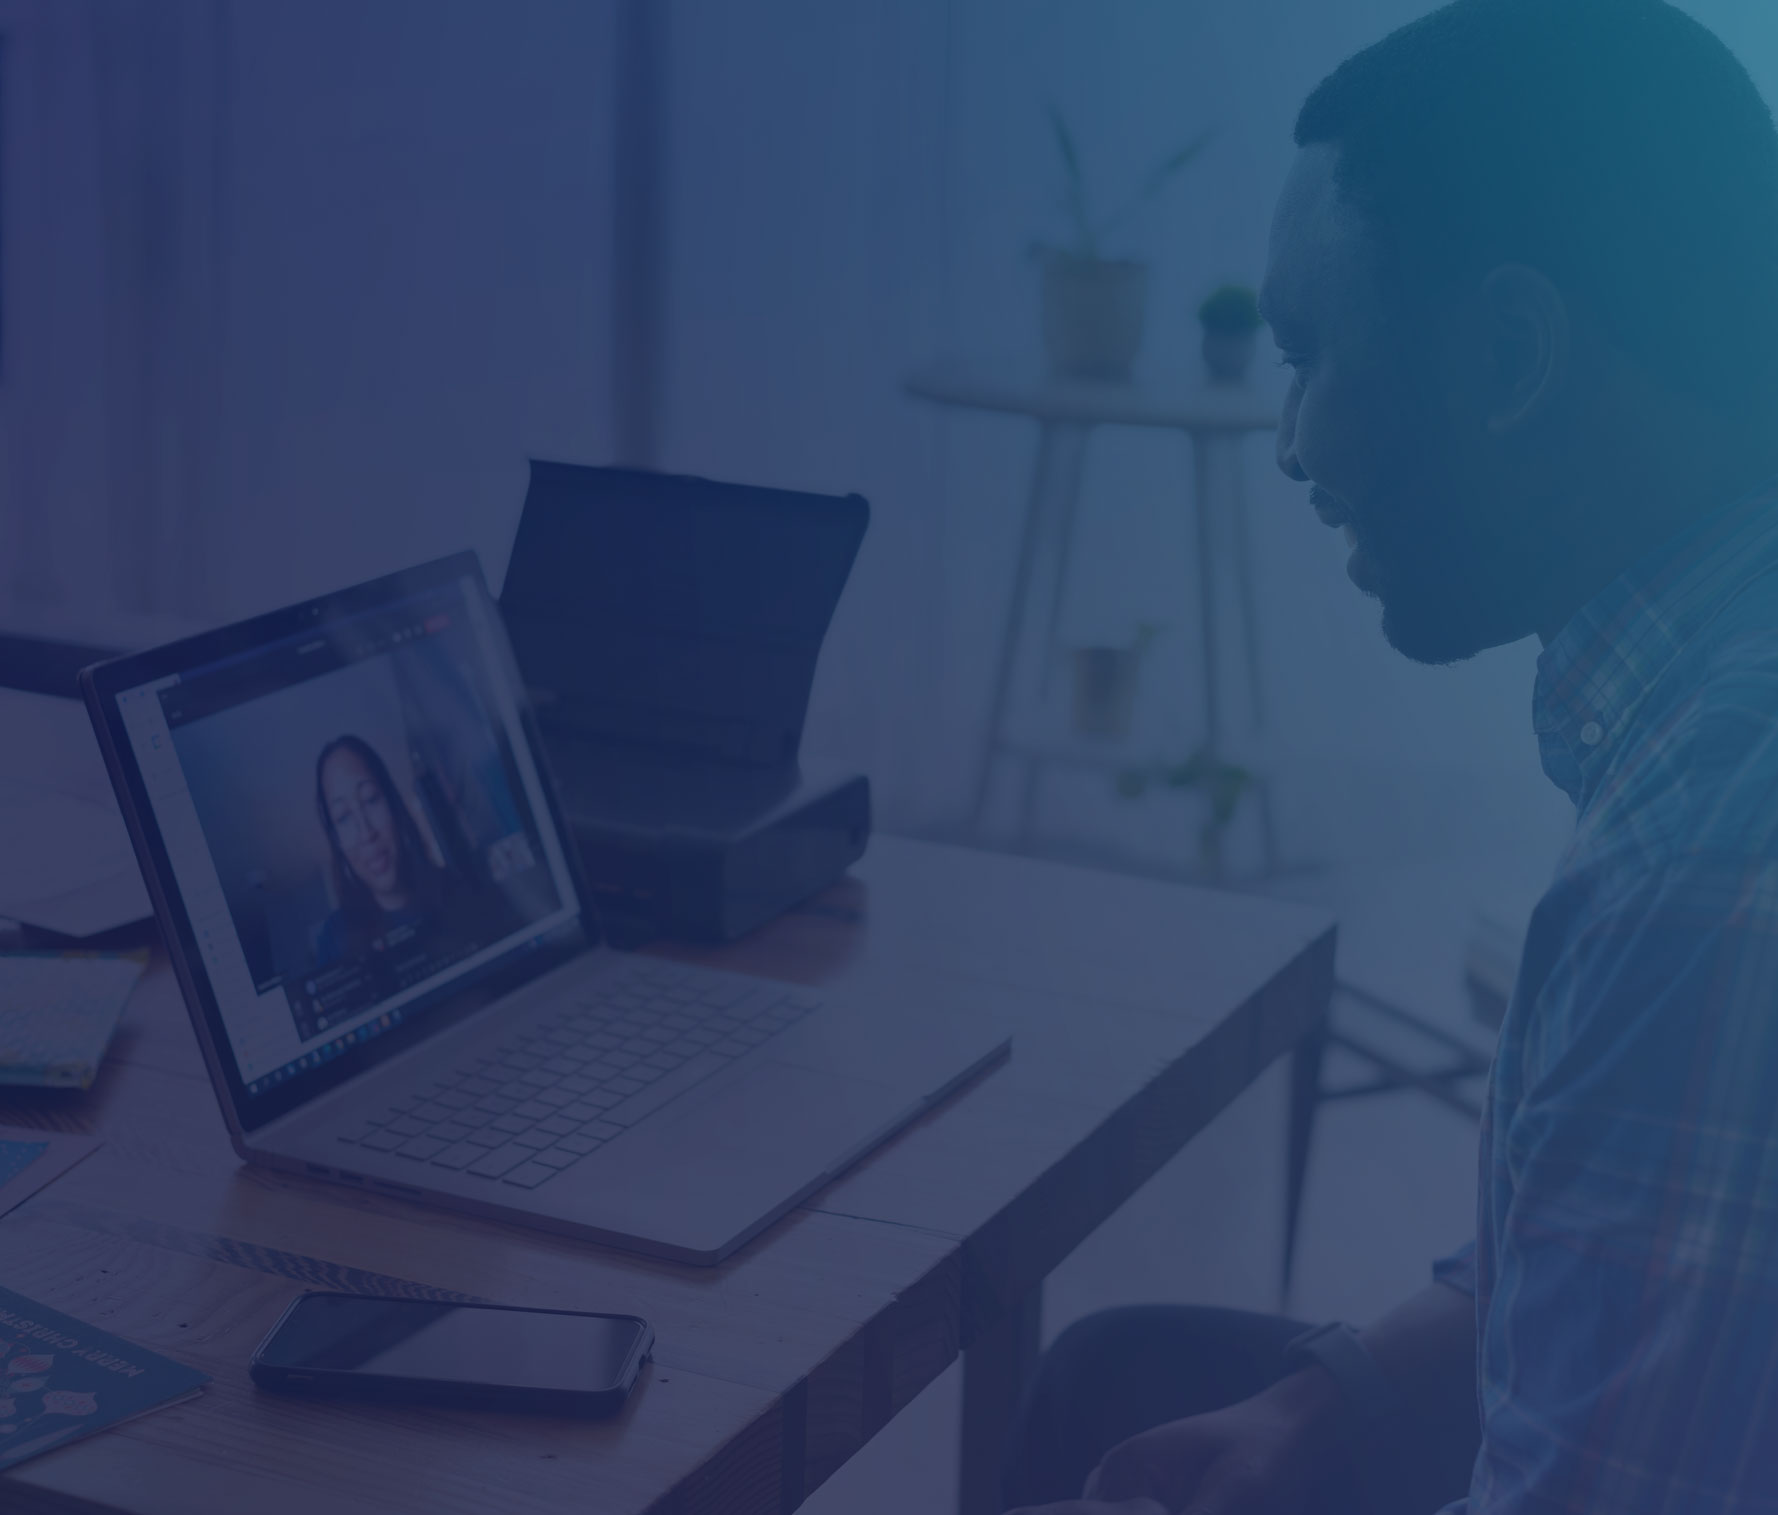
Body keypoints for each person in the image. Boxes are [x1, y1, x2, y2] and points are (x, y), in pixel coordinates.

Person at [1004, 1, 1778, 1511]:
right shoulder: (1703, 676)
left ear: (1508, 353)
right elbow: (1599, 1248)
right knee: (1126, 1376)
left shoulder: (1709, 849)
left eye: (1311, 355)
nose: (1289, 441)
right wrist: (1327, 1400)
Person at [312, 733, 457, 966]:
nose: (366, 833)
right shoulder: (333, 940)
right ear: (337, 841)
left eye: (370, 799)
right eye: (344, 816)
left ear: (394, 805)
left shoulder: (455, 887)